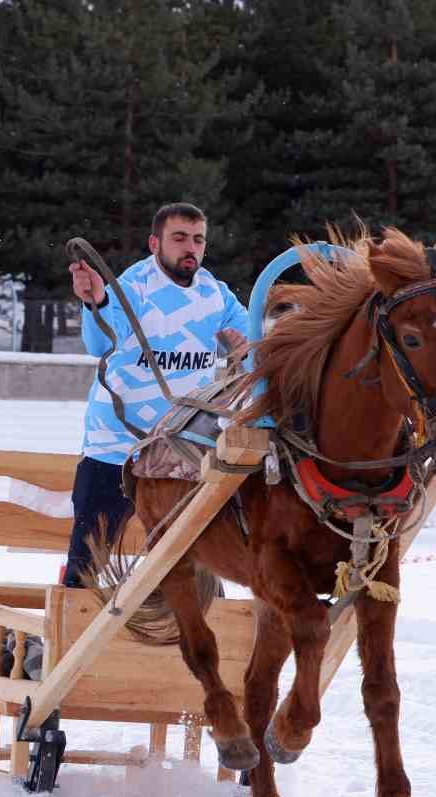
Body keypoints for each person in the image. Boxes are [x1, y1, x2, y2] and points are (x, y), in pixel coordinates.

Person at [62, 201, 248, 588]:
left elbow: (256, 350)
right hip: (116, 449)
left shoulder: (216, 295)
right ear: (154, 243)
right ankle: (68, 638)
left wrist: (244, 350)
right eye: (179, 238)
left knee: (198, 570)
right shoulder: (129, 288)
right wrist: (94, 301)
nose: (190, 248)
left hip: (181, 452)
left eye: (198, 240)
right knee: (86, 567)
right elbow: (100, 341)